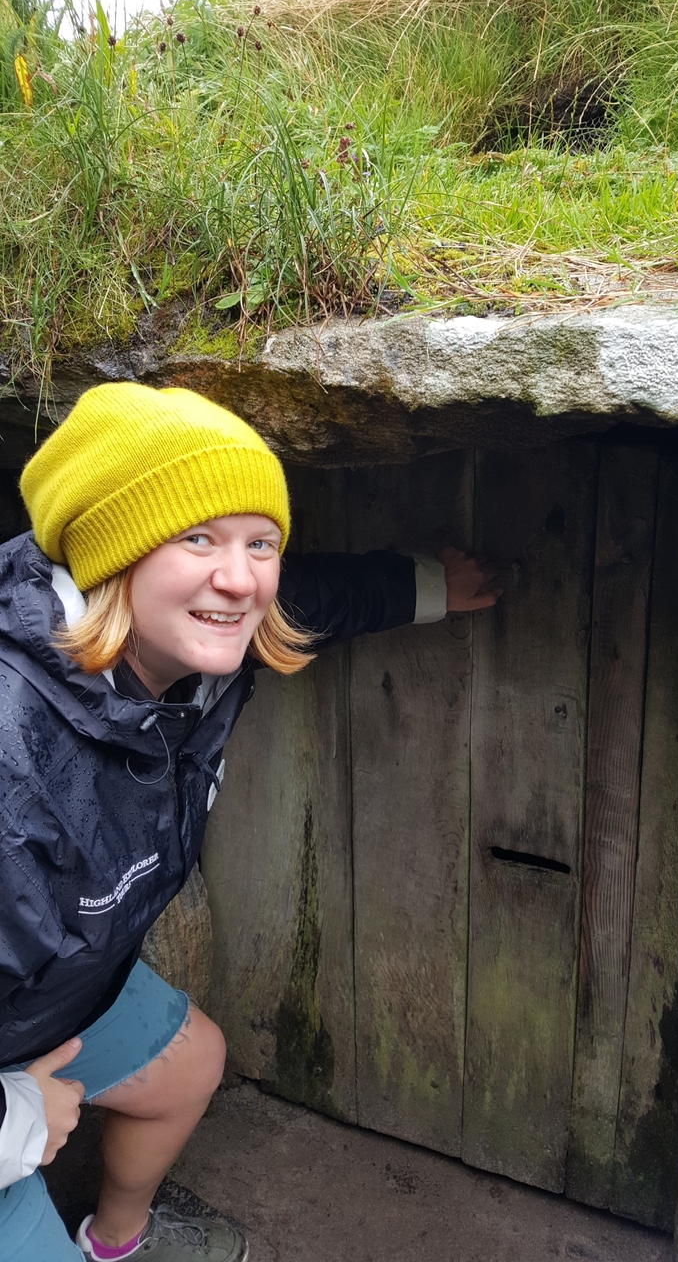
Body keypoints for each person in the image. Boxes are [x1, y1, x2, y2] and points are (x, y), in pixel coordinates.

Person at [0, 383, 500, 1262]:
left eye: (259, 541)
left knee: (191, 1063)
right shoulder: (16, 763)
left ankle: (111, 1243)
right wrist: (20, 1118)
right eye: (196, 537)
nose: (240, 578)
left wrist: (432, 587)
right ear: (110, 556)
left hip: (44, 1010)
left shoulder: (193, 641)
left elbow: (311, 595)